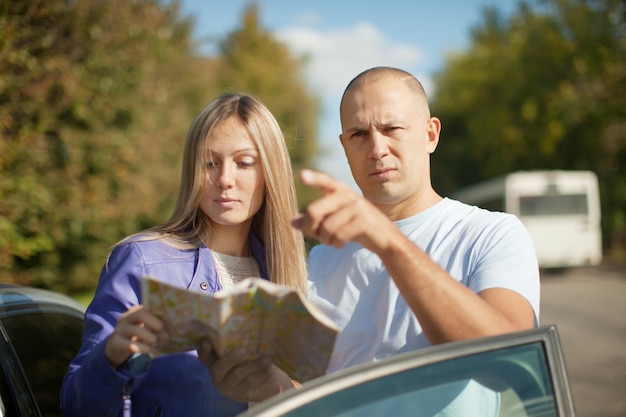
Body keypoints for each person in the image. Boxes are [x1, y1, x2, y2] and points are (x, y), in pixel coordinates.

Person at [291, 66, 540, 414]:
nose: (377, 148)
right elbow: (311, 388)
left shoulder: (491, 234)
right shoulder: (318, 260)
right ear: (344, 146)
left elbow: (505, 362)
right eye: (359, 134)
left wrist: (389, 243)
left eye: (392, 128)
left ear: (430, 134)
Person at [61, 92, 306, 417]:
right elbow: (75, 406)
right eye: (210, 162)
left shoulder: (286, 275)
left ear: (270, 173)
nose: (225, 180)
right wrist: (110, 359)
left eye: (245, 163)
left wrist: (283, 389)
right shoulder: (142, 261)